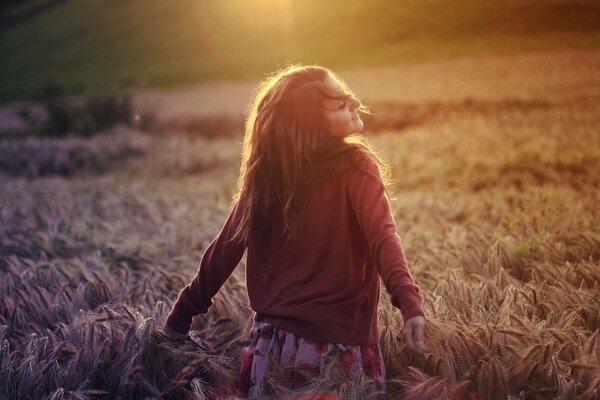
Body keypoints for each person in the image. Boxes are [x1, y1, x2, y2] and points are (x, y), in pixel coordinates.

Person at [162, 64, 429, 398]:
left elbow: (225, 248)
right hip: (337, 353)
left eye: (348, 94)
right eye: (339, 102)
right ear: (311, 121)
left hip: (272, 350)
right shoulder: (354, 164)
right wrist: (409, 304)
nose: (354, 102)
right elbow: (383, 236)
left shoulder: (270, 174)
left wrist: (181, 316)